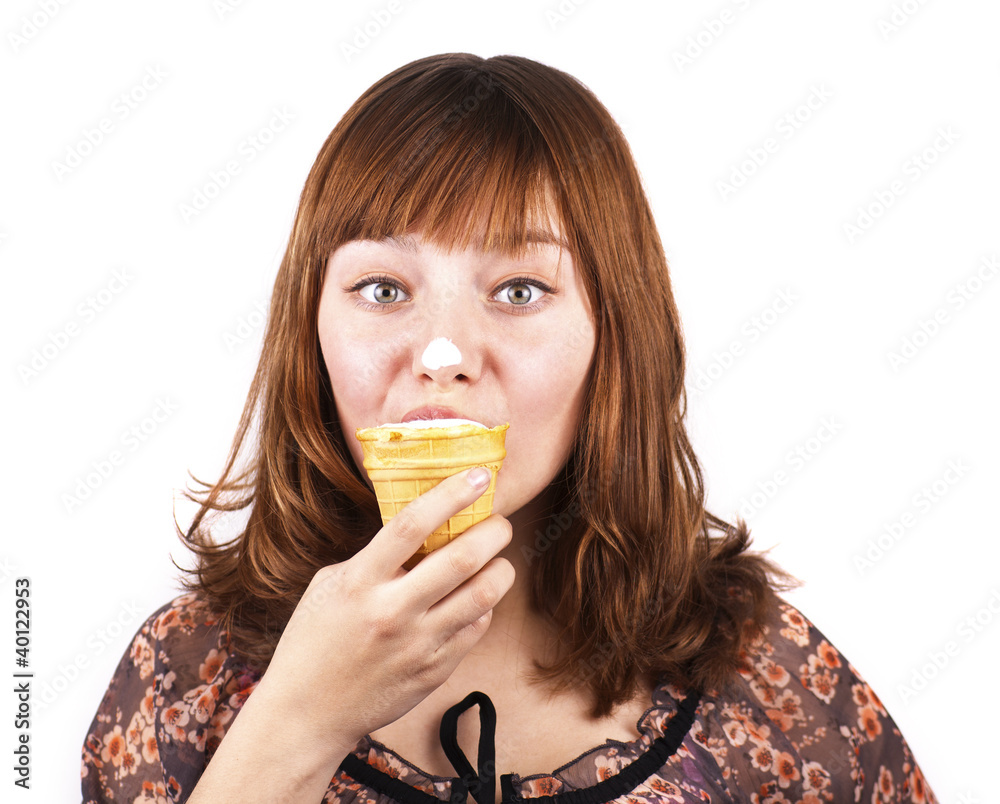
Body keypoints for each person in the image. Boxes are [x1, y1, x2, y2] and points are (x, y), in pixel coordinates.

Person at [81, 53, 937, 804]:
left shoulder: (764, 678)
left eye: (520, 290)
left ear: (615, 335)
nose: (443, 356)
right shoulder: (184, 678)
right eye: (384, 289)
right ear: (311, 330)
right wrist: (300, 719)